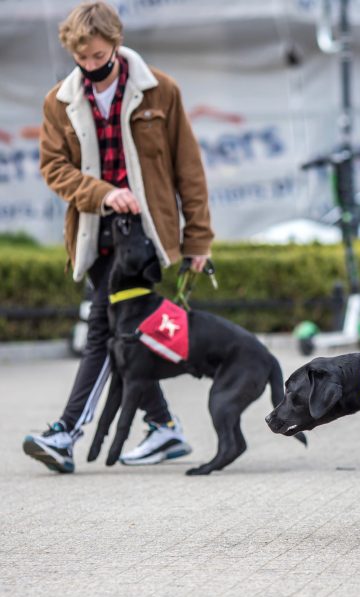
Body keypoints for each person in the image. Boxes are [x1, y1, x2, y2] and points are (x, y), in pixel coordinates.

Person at [24, 1, 214, 473]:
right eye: (81, 59)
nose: (90, 66)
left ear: (115, 43)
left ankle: (67, 432)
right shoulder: (59, 101)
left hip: (144, 239)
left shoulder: (159, 90)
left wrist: (198, 242)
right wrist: (104, 193)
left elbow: (188, 169)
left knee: (104, 334)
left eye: (97, 55)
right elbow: (54, 168)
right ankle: (165, 427)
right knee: (124, 336)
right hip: (94, 232)